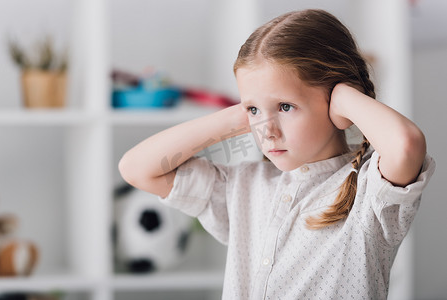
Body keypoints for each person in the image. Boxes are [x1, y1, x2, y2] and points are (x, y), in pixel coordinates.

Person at [119, 9, 435, 299]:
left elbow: (406, 144)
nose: (266, 130)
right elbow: (137, 168)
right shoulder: (242, 187)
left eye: (285, 107)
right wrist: (237, 118)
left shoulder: (369, 193)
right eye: (254, 108)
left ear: (337, 104)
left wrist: (345, 97)